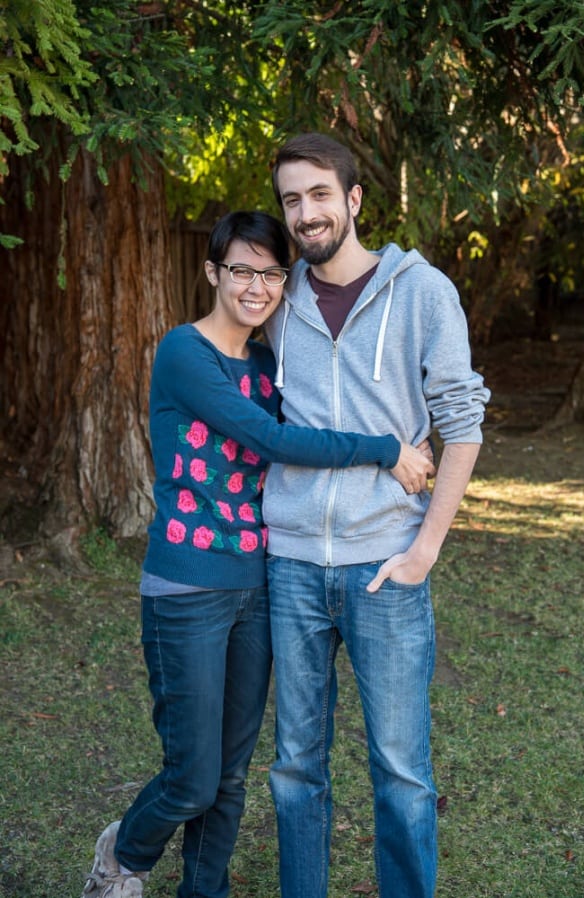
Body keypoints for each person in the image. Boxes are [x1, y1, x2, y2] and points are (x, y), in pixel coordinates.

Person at [80, 210, 435, 898]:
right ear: (213, 273)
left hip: (260, 586)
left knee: (233, 773)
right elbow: (275, 442)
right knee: (192, 775)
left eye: (271, 273)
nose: (257, 286)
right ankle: (122, 855)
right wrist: (385, 451)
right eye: (241, 270)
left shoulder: (271, 363)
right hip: (186, 588)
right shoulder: (185, 353)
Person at [263, 133, 491, 898]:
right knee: (296, 768)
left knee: (400, 772)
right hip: (291, 562)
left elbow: (462, 423)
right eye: (292, 199)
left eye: (320, 194)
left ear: (353, 199)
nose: (306, 212)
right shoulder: (276, 296)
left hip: (384, 567)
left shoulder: (421, 292)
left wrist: (425, 548)